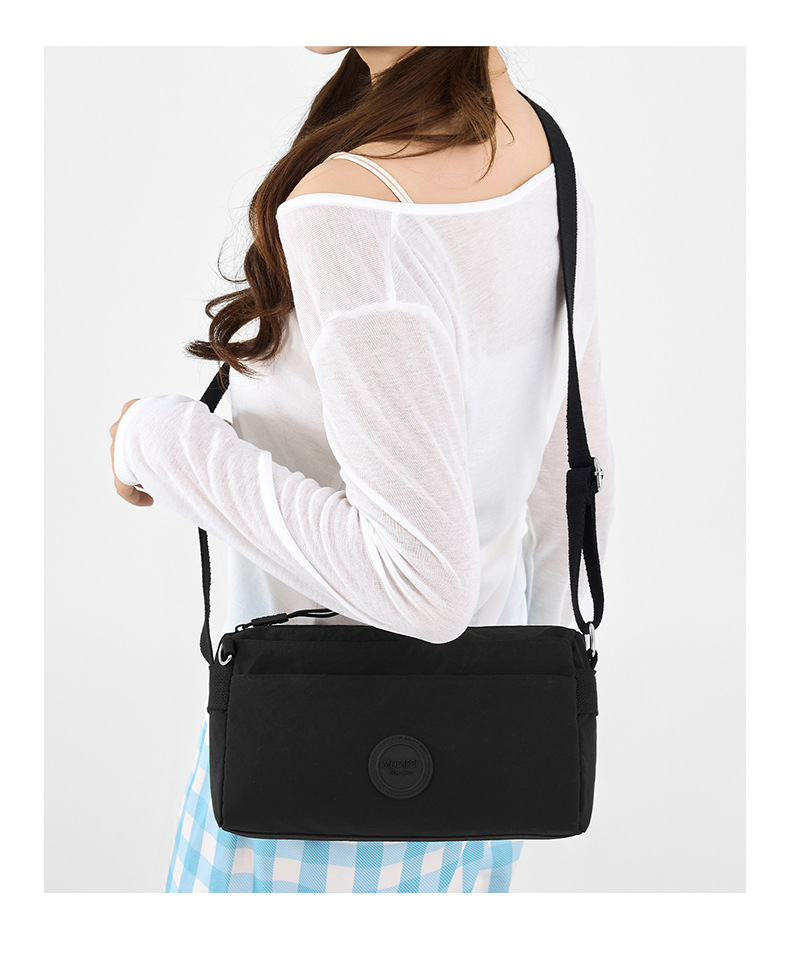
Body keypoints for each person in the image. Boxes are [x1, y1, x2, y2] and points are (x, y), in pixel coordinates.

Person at [108, 45, 616, 893]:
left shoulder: (354, 207)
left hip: (311, 781)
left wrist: (159, 440)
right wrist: (534, 690)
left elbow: (424, 586)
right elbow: (576, 465)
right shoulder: (540, 150)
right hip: (476, 768)